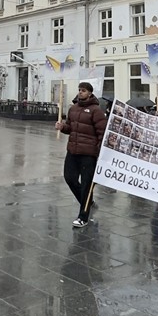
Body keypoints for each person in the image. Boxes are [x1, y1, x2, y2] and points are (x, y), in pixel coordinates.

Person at [56, 82, 107, 228]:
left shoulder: (96, 110)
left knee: (86, 185)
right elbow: (70, 128)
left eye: (83, 91)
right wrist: (62, 127)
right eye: (79, 90)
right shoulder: (73, 109)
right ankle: (88, 202)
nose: (80, 93)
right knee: (70, 178)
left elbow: (102, 132)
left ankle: (83, 216)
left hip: (88, 154)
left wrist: (98, 152)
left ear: (90, 93)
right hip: (73, 151)